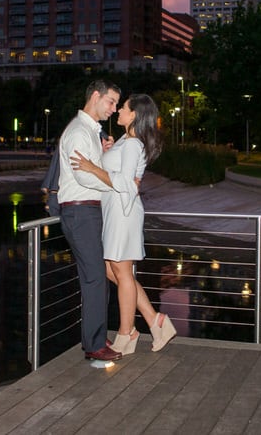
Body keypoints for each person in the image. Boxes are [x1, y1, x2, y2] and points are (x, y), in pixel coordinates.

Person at [71, 93, 177, 355]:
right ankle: (155, 320)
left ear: (134, 115)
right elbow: (123, 176)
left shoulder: (132, 144)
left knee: (120, 272)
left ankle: (126, 332)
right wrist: (106, 155)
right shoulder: (125, 141)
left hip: (123, 213)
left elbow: (127, 185)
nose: (118, 110)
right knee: (115, 271)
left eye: (124, 108)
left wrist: (93, 168)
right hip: (115, 212)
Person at [57, 79, 121, 362]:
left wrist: (102, 158)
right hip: (80, 211)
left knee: (96, 278)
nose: (114, 109)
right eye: (111, 102)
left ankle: (95, 336)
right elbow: (83, 176)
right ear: (95, 96)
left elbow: (90, 171)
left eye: (117, 104)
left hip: (86, 210)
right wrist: (115, 183)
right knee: (95, 278)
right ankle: (94, 344)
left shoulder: (90, 132)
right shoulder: (79, 132)